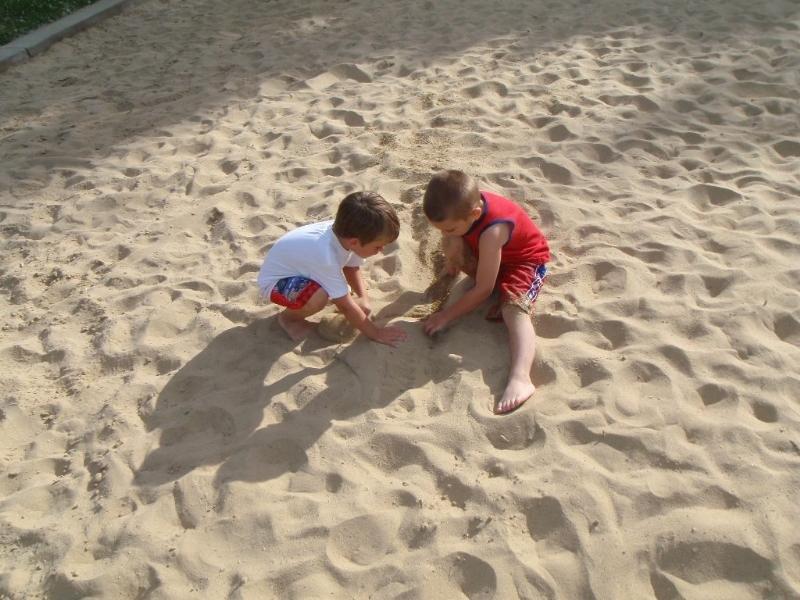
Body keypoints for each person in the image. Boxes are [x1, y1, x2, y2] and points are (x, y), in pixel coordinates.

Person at [422, 170, 550, 414]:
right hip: (490, 254)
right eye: (440, 228)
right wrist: (453, 252)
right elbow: (454, 231)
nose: (444, 232)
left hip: (524, 263)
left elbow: (483, 289)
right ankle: (459, 251)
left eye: (449, 228)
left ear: (475, 214)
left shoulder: (492, 232)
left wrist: (446, 316)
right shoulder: (463, 205)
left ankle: (521, 377)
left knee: (513, 309)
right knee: (452, 242)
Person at [258, 191, 407, 346]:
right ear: (354, 242)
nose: (382, 250)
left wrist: (363, 298)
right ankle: (288, 319)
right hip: (275, 283)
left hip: (302, 270)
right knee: (318, 298)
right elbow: (345, 306)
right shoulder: (326, 255)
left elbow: (351, 267)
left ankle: (318, 294)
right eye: (377, 246)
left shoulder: (346, 234)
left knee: (334, 291)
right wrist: (376, 333)